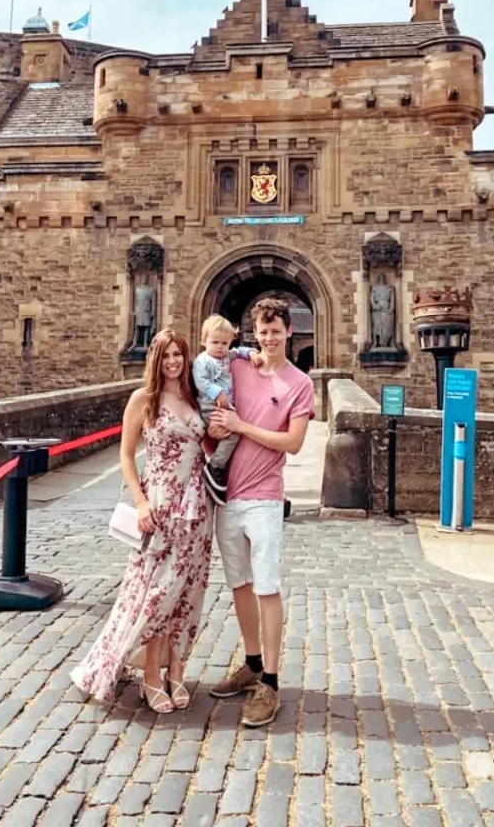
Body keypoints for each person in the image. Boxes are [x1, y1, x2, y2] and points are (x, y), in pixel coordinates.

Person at [70, 329, 212, 713]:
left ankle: (176, 671)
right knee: (156, 593)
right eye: (166, 355)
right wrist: (141, 502)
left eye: (178, 355)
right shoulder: (142, 399)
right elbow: (126, 455)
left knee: (188, 591)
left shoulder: (196, 398)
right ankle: (150, 675)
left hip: (197, 508)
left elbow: (210, 444)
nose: (173, 362)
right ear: (155, 360)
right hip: (160, 505)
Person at [207, 297, 314, 727]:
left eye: (275, 331)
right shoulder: (237, 367)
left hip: (265, 499)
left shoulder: (299, 384)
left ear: (289, 331)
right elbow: (204, 376)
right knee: (239, 584)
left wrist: (242, 427)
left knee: (267, 587)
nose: (269, 339)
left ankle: (270, 681)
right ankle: (251, 663)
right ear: (254, 333)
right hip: (227, 497)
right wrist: (216, 429)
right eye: (262, 332)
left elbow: (294, 443)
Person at [192, 314, 262, 506]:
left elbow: (238, 352)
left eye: (224, 343)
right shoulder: (202, 361)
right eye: (215, 342)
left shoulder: (226, 356)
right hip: (210, 407)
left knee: (232, 434)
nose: (220, 347)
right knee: (232, 434)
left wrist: (251, 353)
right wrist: (217, 393)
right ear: (203, 341)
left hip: (224, 406)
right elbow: (201, 382)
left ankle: (219, 467)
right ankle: (215, 466)